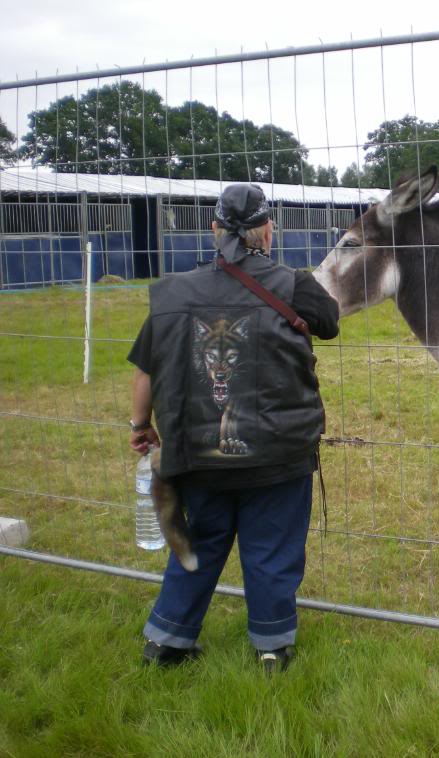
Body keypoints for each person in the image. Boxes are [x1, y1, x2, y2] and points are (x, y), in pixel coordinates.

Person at [127, 183, 339, 672]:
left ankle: (167, 642)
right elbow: (328, 321)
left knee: (195, 542)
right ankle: (271, 647)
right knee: (272, 549)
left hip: (198, 454)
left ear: (214, 229)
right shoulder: (292, 284)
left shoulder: (174, 293)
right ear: (267, 229)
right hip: (278, 456)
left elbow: (146, 370)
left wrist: (141, 426)